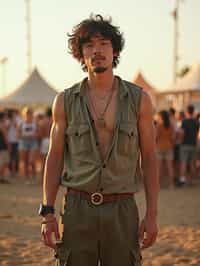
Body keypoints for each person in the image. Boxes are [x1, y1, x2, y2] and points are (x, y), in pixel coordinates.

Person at [40, 14, 159, 266]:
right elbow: (55, 156)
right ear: (80, 54)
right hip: (76, 208)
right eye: (89, 46)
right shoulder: (65, 101)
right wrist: (47, 213)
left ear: (114, 50)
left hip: (122, 209)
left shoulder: (139, 100)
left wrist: (152, 214)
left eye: (104, 43)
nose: (97, 51)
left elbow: (149, 156)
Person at [179, 104, 199, 185]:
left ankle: (183, 179)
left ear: (187, 111)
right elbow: (197, 134)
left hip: (185, 144)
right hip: (193, 144)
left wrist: (180, 141)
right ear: (193, 111)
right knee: (192, 163)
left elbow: (182, 133)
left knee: (183, 162)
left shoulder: (184, 121)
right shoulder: (196, 122)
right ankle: (191, 180)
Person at [18, 107, 38, 184]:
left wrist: (34, 136)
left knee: (31, 160)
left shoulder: (35, 122)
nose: (29, 115)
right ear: (25, 114)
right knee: (25, 161)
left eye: (30, 113)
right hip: (23, 142)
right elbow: (18, 134)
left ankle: (34, 175)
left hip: (33, 142)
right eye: (28, 113)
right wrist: (25, 136)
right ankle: (27, 178)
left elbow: (39, 133)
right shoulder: (21, 123)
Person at [156, 110, 175, 188]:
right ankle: (171, 184)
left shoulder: (159, 126)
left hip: (160, 147)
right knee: (170, 167)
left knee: (159, 167)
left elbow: (156, 137)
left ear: (161, 117)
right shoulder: (171, 126)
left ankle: (158, 184)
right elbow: (173, 137)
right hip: (169, 147)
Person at [0, 112, 9, 183]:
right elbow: (6, 136)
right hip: (3, 146)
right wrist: (9, 146)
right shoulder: (2, 125)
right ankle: (1, 177)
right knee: (4, 162)